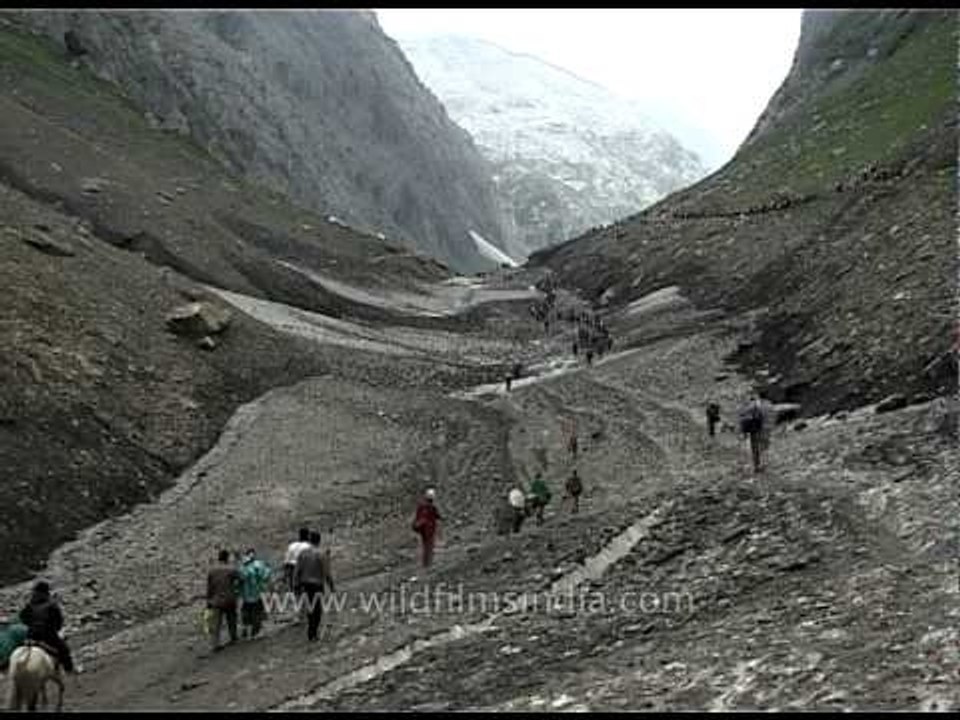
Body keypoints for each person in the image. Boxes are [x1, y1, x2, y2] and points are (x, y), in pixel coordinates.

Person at [18, 581, 75, 673]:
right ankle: (69, 670)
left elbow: (22, 617)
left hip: (31, 635)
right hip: (48, 635)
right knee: (64, 650)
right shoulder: (51, 604)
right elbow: (58, 621)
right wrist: (55, 629)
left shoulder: (30, 604)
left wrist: (31, 625)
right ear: (46, 592)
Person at [295, 531, 335, 643]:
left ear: (309, 540)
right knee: (317, 610)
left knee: (309, 608)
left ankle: (311, 631)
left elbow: (297, 570)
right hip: (317, 585)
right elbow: (327, 572)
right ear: (319, 540)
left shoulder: (303, 553)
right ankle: (313, 632)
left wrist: (296, 584)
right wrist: (331, 586)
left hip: (305, 585)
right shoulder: (321, 554)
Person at [206, 549, 241, 651]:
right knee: (232, 619)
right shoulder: (231, 569)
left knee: (216, 623)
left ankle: (215, 644)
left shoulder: (212, 571)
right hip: (230, 599)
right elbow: (242, 578)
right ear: (227, 558)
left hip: (216, 600)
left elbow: (209, 588)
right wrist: (236, 589)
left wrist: (208, 601)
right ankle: (233, 638)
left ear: (218, 558)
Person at [239, 548, 272, 639]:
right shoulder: (259, 565)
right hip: (255, 594)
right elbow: (265, 576)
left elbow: (239, 580)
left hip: (248, 595)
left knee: (247, 612)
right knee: (256, 612)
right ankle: (254, 631)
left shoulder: (243, 566)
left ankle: (246, 630)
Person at [739, 393, 773, 473]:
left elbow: (742, 420)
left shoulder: (746, 409)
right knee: (762, 447)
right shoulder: (758, 407)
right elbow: (762, 418)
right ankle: (761, 465)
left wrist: (743, 432)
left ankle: (756, 465)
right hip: (758, 429)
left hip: (751, 431)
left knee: (754, 448)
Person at [412, 488, 442, 568]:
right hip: (430, 529)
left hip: (423, 529)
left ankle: (425, 562)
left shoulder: (421, 506)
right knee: (429, 545)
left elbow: (417, 517)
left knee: (425, 545)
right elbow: (438, 516)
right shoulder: (432, 507)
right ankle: (428, 563)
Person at [284, 527, 311, 594]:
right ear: (308, 536)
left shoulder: (291, 545)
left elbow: (286, 562)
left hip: (292, 571)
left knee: (293, 592)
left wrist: (285, 575)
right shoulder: (308, 546)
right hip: (303, 572)